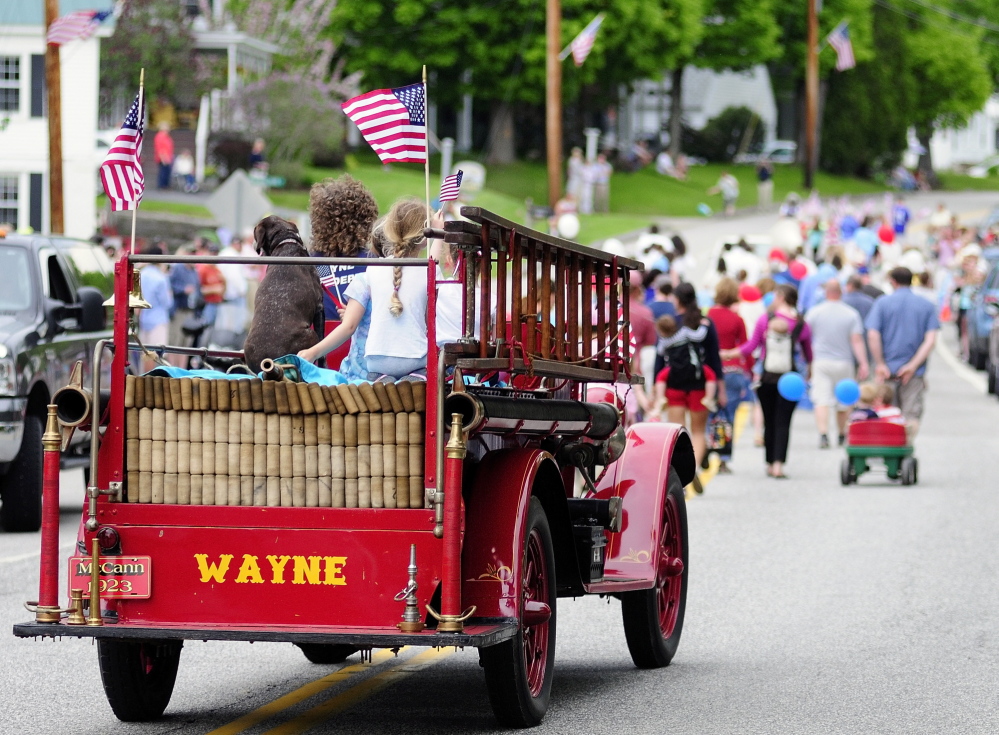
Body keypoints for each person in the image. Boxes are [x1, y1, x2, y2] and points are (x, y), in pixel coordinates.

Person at [299, 198, 440, 381]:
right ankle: (415, 380)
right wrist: (438, 234)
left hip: (375, 363)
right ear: (424, 237)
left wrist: (312, 352)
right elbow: (433, 264)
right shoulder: (429, 271)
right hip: (414, 359)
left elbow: (348, 327)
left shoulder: (371, 271)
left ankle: (384, 381)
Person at [725, 284, 813, 479]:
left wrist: (730, 354)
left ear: (781, 297)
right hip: (791, 379)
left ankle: (768, 462)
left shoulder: (766, 319)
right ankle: (778, 465)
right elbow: (808, 354)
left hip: (766, 377)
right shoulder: (801, 323)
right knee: (784, 421)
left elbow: (751, 346)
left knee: (769, 419)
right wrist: (809, 373)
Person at [308, 175, 380, 379]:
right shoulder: (377, 261)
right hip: (363, 353)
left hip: (318, 349)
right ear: (366, 218)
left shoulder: (309, 263)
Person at [653, 282, 725, 487]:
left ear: (676, 300)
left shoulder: (669, 323)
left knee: (678, 431)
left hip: (673, 384)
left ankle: (683, 473)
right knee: (699, 431)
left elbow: (660, 359)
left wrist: (656, 388)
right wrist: (720, 388)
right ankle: (693, 470)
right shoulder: (704, 323)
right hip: (700, 385)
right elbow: (714, 358)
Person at [865, 266, 940, 439]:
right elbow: (930, 341)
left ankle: (886, 447)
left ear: (893, 281)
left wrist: (880, 363)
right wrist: (912, 366)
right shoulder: (926, 306)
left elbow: (873, 335)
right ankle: (905, 449)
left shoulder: (882, 303)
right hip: (914, 373)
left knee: (884, 413)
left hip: (887, 371)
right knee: (911, 415)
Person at [805, 279, 870, 449]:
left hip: (821, 361)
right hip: (844, 361)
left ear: (826, 292)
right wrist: (863, 363)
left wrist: (807, 361)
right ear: (841, 292)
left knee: (821, 399)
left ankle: (823, 434)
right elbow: (856, 341)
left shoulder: (814, 312)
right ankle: (842, 433)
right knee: (844, 400)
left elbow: (806, 337)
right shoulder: (851, 313)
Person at [707, 278, 749, 474]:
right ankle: (724, 459)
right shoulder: (737, 319)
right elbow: (744, 347)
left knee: (708, 413)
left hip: (710, 372)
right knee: (728, 416)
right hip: (732, 371)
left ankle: (706, 450)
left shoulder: (708, 316)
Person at [653, 315, 719, 415]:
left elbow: (660, 352)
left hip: (673, 370)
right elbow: (699, 336)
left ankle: (660, 397)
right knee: (711, 375)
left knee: (660, 378)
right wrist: (704, 326)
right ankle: (709, 398)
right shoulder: (685, 332)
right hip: (693, 367)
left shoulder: (664, 341)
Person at [137, 243, 174, 372]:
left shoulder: (141, 274)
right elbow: (167, 302)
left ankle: (142, 378)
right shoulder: (161, 277)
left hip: (144, 318)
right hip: (158, 318)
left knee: (145, 353)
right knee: (155, 354)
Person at [194, 239, 225, 328]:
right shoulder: (203, 270)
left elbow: (222, 288)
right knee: (204, 328)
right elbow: (199, 290)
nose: (214, 255)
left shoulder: (217, 270)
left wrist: (224, 282)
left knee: (213, 330)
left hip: (217, 303)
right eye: (212, 253)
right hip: (207, 304)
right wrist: (215, 289)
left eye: (216, 253)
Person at [154, 123, 174, 190]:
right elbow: (160, 148)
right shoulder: (160, 136)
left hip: (168, 156)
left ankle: (166, 185)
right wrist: (163, 158)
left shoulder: (167, 136)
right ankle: (162, 186)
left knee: (167, 172)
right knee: (163, 172)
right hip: (163, 157)